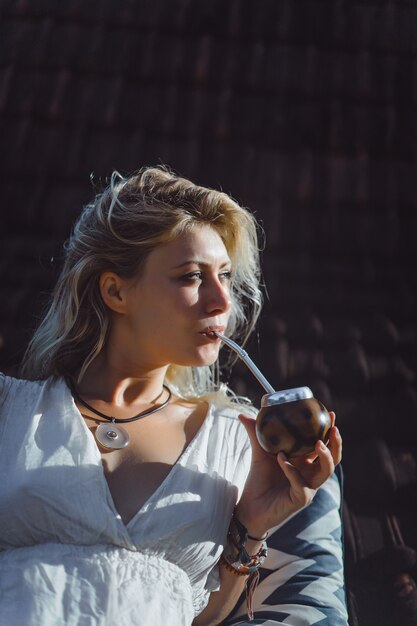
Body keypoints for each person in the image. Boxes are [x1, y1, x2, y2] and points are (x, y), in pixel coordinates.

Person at [0, 166, 342, 626]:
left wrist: (253, 525)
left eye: (224, 275)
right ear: (115, 290)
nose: (222, 300)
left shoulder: (239, 444)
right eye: (190, 277)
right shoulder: (10, 411)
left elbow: (194, 614)